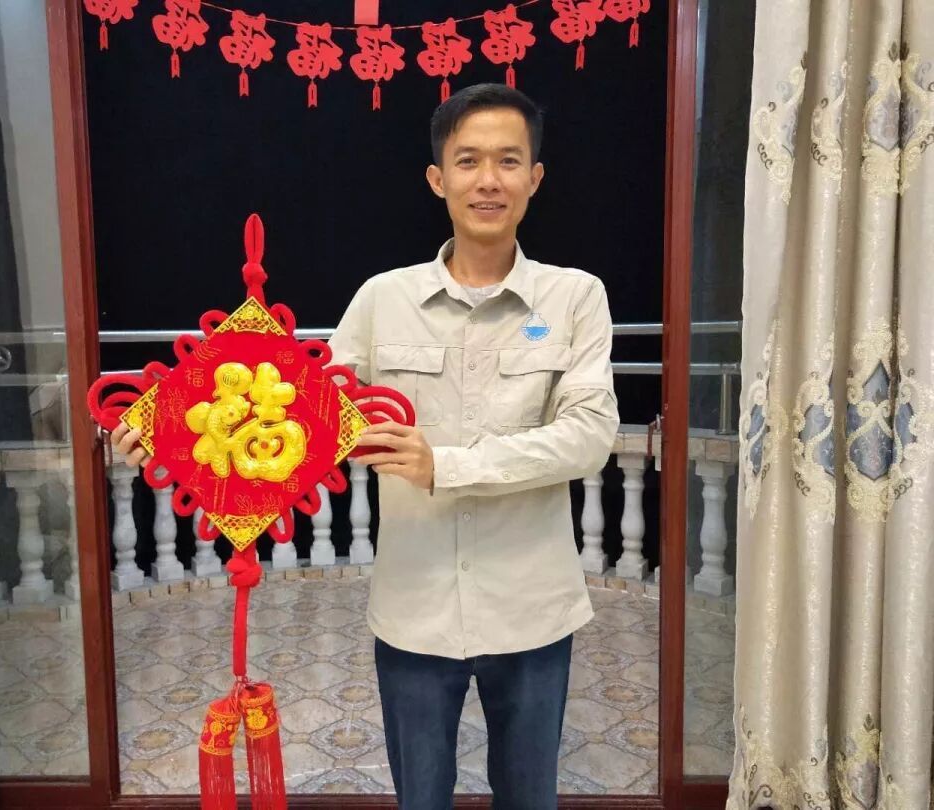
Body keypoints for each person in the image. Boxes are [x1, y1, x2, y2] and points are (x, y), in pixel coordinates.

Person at [112, 83, 619, 809]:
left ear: (535, 177)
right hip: (414, 609)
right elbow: (300, 409)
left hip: (533, 607)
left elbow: (589, 436)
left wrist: (443, 465)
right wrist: (170, 433)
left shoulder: (576, 297)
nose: (488, 180)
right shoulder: (384, 299)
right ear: (437, 179)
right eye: (468, 161)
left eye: (508, 161)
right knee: (420, 798)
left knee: (529, 796)